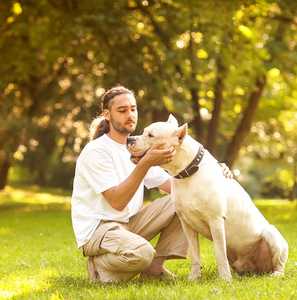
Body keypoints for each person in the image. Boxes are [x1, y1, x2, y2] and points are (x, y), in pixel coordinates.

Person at [71, 85, 232, 283]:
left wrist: (214, 170)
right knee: (142, 253)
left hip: (130, 223)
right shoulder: (97, 152)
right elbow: (116, 202)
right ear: (107, 114)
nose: (130, 115)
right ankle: (99, 267)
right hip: (100, 229)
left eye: (133, 108)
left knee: (181, 200)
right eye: (122, 111)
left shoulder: (139, 148)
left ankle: (154, 268)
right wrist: (146, 163)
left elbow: (176, 187)